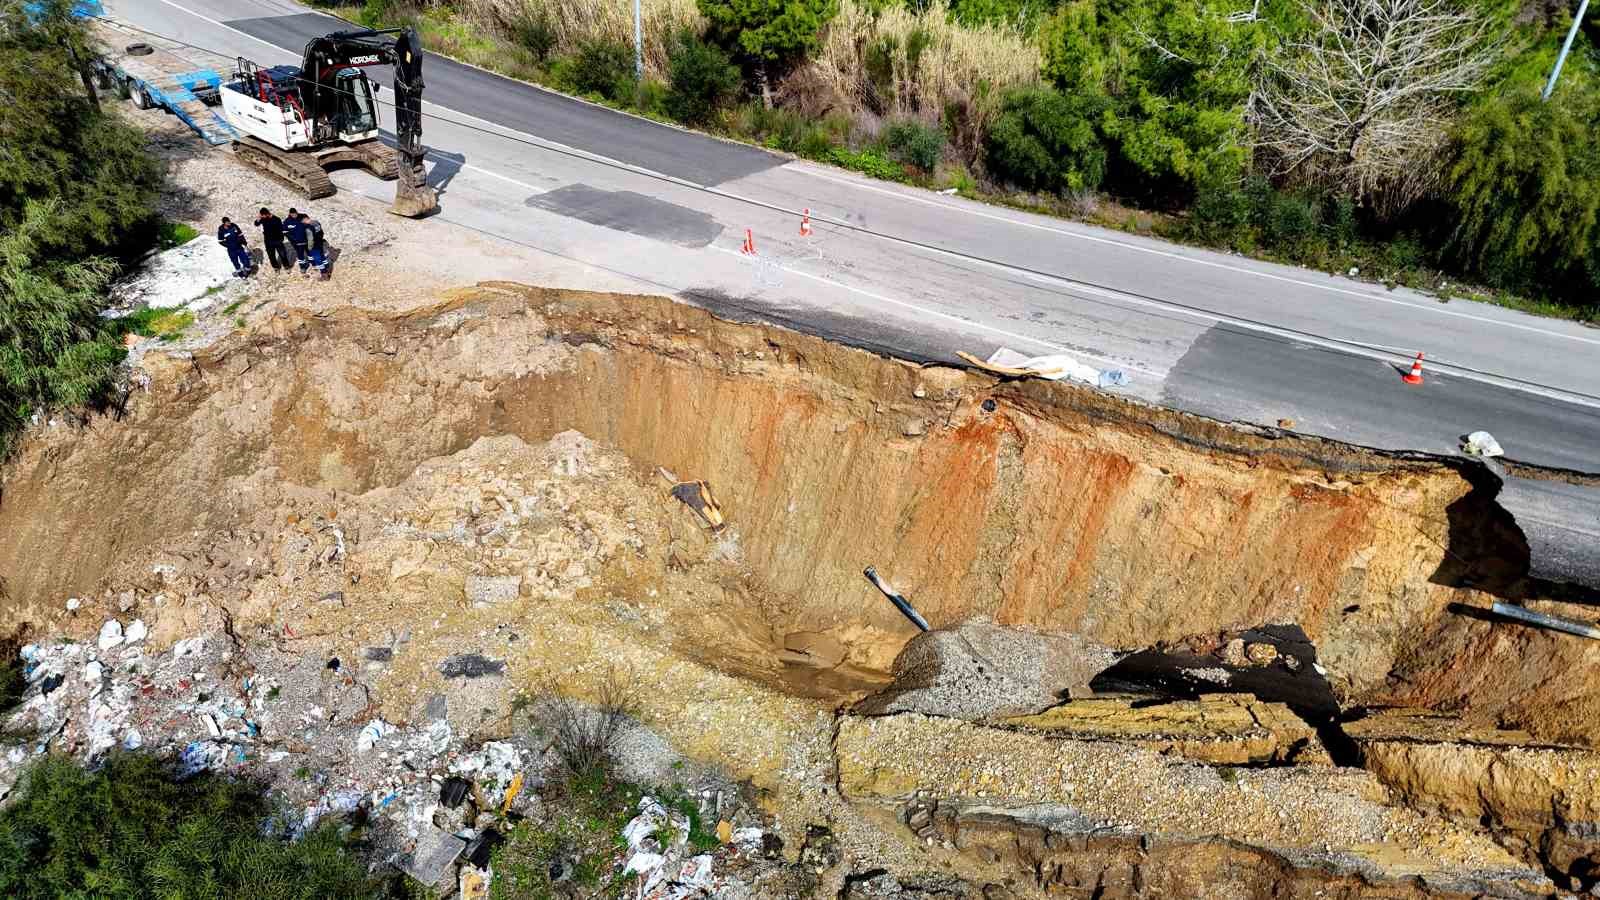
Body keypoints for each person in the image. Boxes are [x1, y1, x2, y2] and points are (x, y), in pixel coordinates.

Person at [253, 207, 289, 273]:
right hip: (268, 241)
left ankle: (286, 266)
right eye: (261, 216)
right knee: (271, 255)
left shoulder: (276, 219)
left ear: (267, 214)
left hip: (277, 240)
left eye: (262, 215)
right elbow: (256, 224)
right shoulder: (263, 219)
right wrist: (258, 219)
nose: (262, 217)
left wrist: (281, 239)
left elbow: (281, 229)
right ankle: (276, 267)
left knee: (282, 254)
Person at [300, 212, 329, 278]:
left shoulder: (308, 227)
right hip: (320, 242)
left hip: (314, 246)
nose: (302, 223)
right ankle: (327, 267)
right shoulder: (317, 222)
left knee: (317, 259)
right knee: (322, 256)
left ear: (305, 219)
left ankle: (324, 274)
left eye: (302, 221)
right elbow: (322, 232)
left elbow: (310, 239)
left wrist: (309, 247)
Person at [284, 206, 310, 273]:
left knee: (310, 253)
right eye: (292, 214)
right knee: (300, 255)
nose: (294, 215)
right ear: (290, 214)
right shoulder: (287, 221)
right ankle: (303, 267)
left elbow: (310, 226)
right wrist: (293, 239)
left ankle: (314, 264)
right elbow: (285, 232)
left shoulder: (303, 216)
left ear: (297, 212)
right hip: (296, 243)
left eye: (295, 214)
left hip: (306, 241)